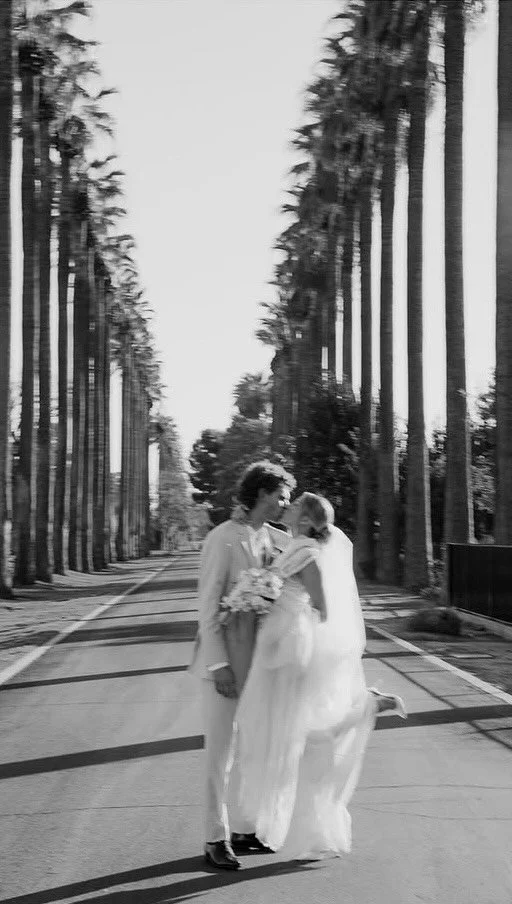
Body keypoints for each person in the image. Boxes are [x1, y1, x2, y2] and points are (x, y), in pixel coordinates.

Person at [235, 492, 406, 861]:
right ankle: (263, 824)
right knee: (282, 730)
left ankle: (366, 705)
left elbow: (323, 608)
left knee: (298, 733)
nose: (289, 507)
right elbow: (268, 539)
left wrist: (279, 607)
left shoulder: (308, 554)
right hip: (275, 643)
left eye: (296, 505)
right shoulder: (293, 544)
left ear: (307, 520)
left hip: (291, 647)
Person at [189, 460, 295, 870]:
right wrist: (219, 665)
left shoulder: (276, 539)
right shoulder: (222, 539)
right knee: (220, 754)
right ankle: (214, 837)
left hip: (261, 663)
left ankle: (246, 828)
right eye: (281, 496)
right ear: (261, 493)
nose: (285, 503)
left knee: (254, 749)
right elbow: (207, 606)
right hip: (225, 663)